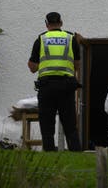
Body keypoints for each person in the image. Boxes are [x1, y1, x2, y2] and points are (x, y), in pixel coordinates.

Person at [28, 12, 82, 151]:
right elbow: (77, 65)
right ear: (61, 23)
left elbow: (33, 67)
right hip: (66, 86)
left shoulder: (41, 39)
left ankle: (49, 154)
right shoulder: (71, 38)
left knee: (47, 125)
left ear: (46, 24)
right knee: (70, 124)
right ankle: (75, 153)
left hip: (47, 87)